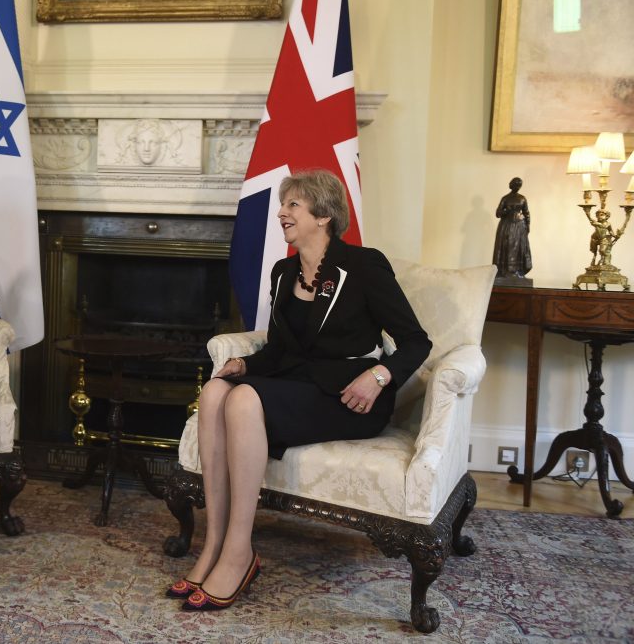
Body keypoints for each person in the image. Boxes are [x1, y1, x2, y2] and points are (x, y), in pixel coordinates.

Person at [167, 169, 431, 611]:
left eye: (293, 205)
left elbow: (416, 341)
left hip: (350, 396)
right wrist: (245, 364)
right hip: (299, 385)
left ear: (323, 215)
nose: (282, 213)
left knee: (247, 398)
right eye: (283, 205)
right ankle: (212, 545)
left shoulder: (364, 265)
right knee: (216, 391)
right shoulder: (284, 271)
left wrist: (379, 376)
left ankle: (239, 552)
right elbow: (281, 351)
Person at [491, 177, 532, 279]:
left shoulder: (522, 198)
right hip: (507, 225)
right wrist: (507, 211)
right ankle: (505, 271)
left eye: (519, 185)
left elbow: (526, 213)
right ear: (511, 185)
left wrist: (527, 225)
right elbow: (498, 213)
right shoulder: (505, 198)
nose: (517, 187)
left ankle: (518, 271)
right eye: (516, 184)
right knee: (507, 246)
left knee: (519, 247)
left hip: (519, 226)